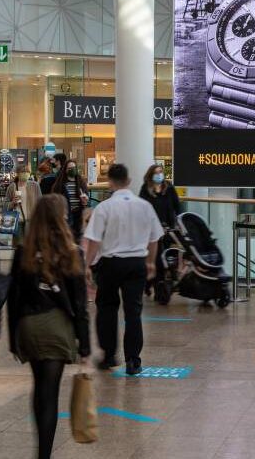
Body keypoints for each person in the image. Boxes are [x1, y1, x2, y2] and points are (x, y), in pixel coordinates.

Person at [7, 195, 90, 459]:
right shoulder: (72, 251)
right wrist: (85, 345)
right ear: (61, 217)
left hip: (29, 327)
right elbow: (80, 304)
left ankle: (40, 450)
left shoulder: (24, 251)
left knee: (38, 385)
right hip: (57, 328)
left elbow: (13, 298)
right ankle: (44, 454)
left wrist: (13, 338)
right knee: (50, 392)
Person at [84, 164, 162, 375]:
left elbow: (93, 240)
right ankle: (133, 360)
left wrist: (87, 265)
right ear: (128, 181)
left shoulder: (104, 207)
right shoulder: (144, 206)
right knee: (133, 312)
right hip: (136, 263)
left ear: (109, 182)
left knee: (107, 308)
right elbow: (154, 238)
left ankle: (109, 355)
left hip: (111, 263)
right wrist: (151, 262)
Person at [139, 164, 181, 295]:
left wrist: (179, 223)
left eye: (160, 172)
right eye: (156, 173)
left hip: (167, 229)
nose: (159, 175)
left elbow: (177, 206)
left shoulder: (169, 188)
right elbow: (142, 208)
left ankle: (155, 283)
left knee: (165, 257)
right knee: (156, 258)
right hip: (151, 230)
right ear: (151, 175)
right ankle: (157, 287)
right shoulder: (145, 189)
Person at [51, 159, 89, 241]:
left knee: (78, 238)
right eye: (70, 168)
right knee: (66, 238)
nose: (72, 170)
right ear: (65, 170)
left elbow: (86, 196)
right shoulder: (60, 183)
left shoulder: (81, 182)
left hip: (79, 214)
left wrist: (85, 200)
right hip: (66, 215)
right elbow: (55, 198)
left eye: (74, 168)